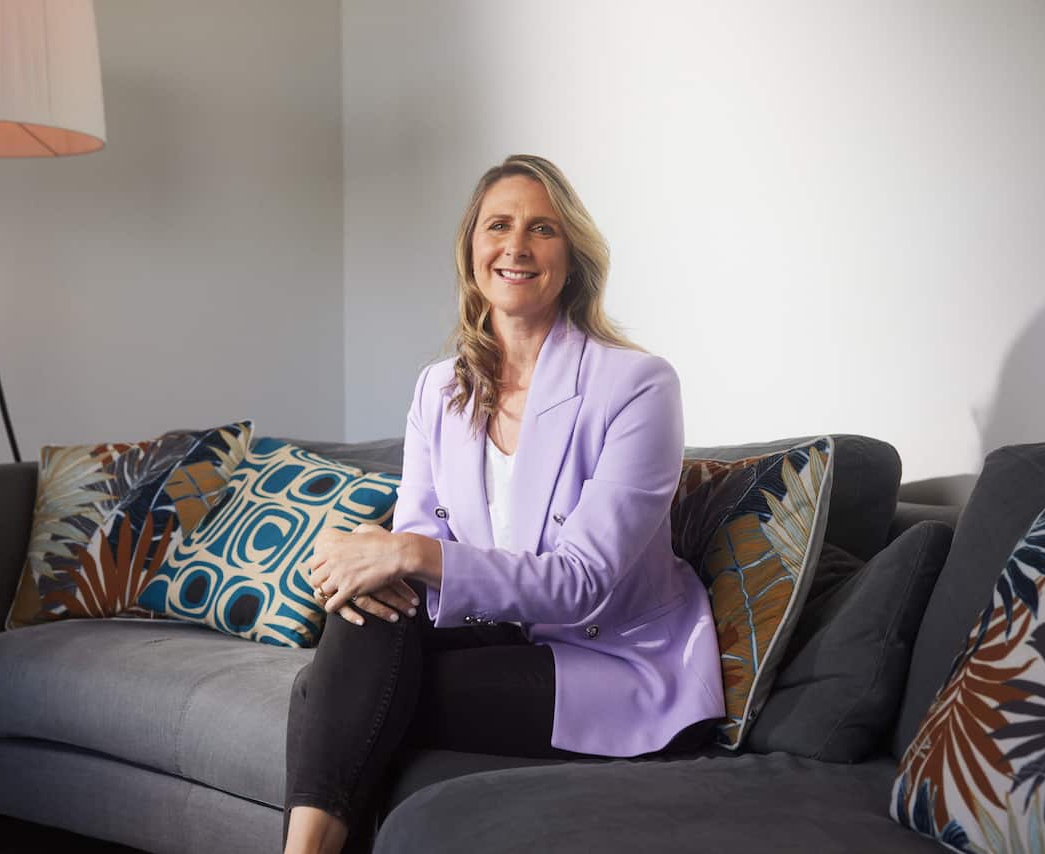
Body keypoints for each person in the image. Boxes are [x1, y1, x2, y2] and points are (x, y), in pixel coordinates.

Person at [282, 154, 725, 854]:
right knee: (365, 627)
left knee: (328, 697)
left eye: (541, 229)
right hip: (494, 632)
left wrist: (407, 552)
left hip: (609, 660)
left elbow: (581, 582)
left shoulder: (637, 386)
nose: (516, 246)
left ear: (571, 257)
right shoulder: (440, 389)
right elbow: (416, 551)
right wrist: (371, 560)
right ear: (472, 249)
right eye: (498, 225)